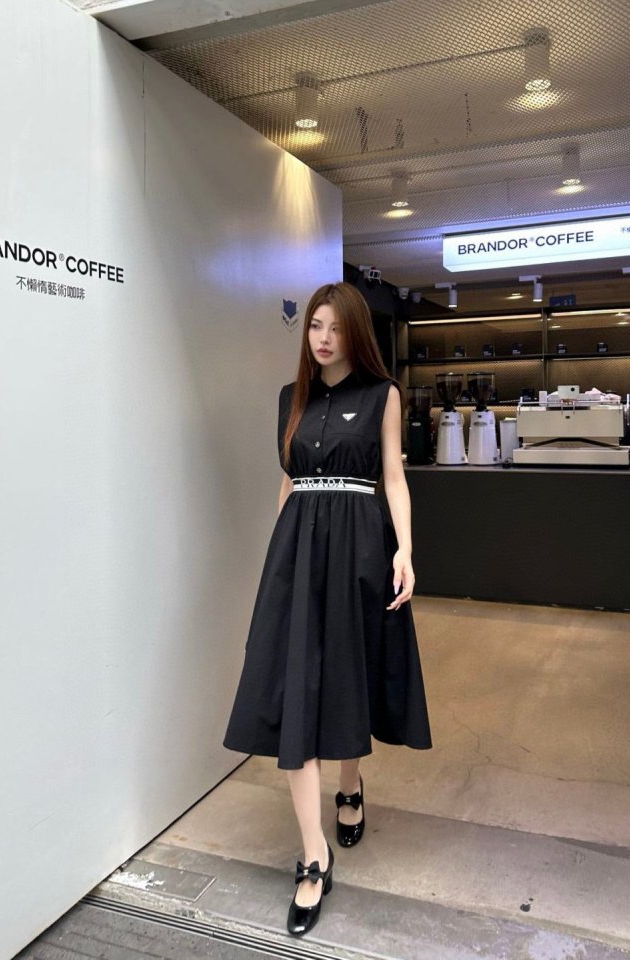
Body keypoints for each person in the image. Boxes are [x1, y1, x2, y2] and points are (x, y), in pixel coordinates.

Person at [222, 281, 432, 937]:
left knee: (345, 677)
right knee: (295, 693)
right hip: (298, 555)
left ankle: (351, 784)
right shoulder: (292, 398)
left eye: (336, 327)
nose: (322, 337)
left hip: (360, 550)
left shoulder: (382, 395)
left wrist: (405, 551)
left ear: (355, 333)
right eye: (315, 325)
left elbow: (393, 478)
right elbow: (289, 484)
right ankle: (314, 857)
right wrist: (276, 567)